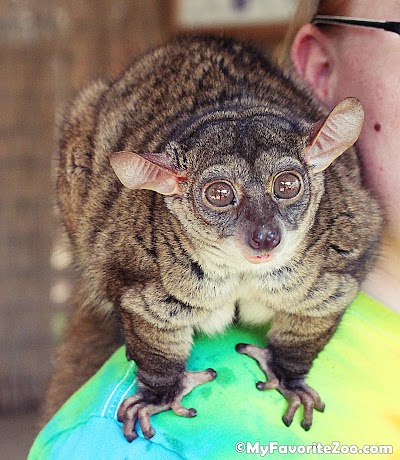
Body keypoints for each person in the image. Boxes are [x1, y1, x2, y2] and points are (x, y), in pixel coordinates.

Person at [29, 1, 400, 458]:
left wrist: (290, 364)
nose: (264, 231)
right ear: (319, 70)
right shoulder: (135, 445)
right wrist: (159, 380)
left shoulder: (336, 225)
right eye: (223, 196)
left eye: (285, 186)